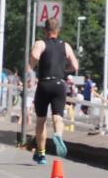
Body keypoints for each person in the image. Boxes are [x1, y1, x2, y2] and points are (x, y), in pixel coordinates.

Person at [29, 18, 78, 164]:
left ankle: (41, 154)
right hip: (59, 84)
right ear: (59, 31)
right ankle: (58, 134)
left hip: (44, 83)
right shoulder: (66, 46)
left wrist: (33, 66)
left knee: (41, 120)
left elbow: (34, 57)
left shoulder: (40, 43)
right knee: (58, 117)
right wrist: (64, 69)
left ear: (45, 30)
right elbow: (75, 66)